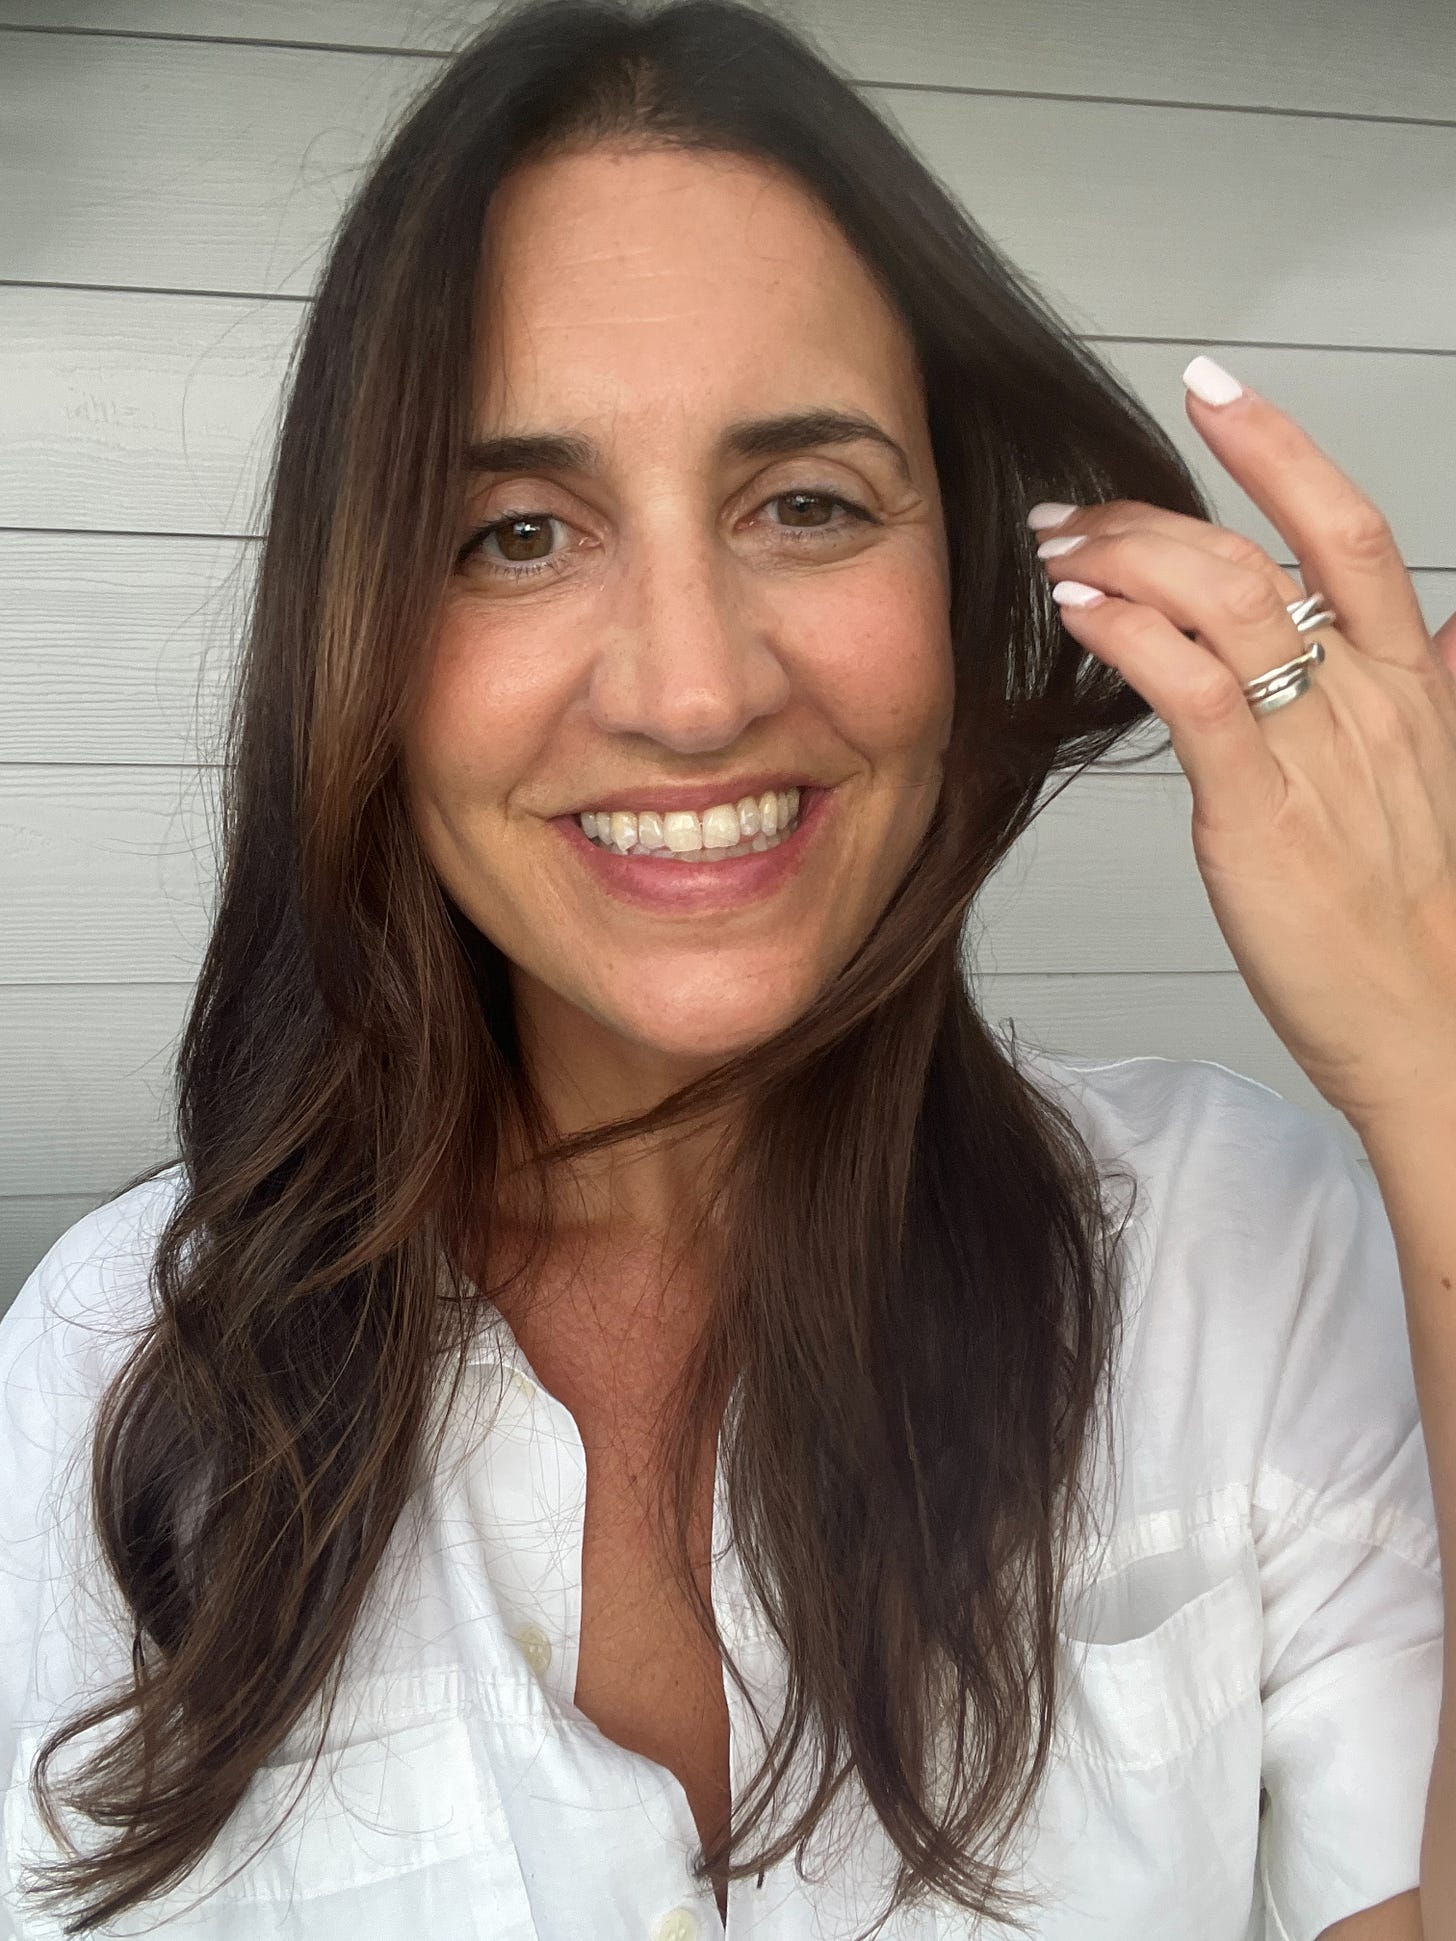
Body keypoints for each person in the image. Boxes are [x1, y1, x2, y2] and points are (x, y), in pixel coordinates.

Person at [0, 1, 1441, 1936]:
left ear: (974, 580)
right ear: (357, 639)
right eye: (515, 531)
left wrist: (1437, 1075)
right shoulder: (107, 1368)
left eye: (810, 503)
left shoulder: (1253, 1260)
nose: (693, 690)